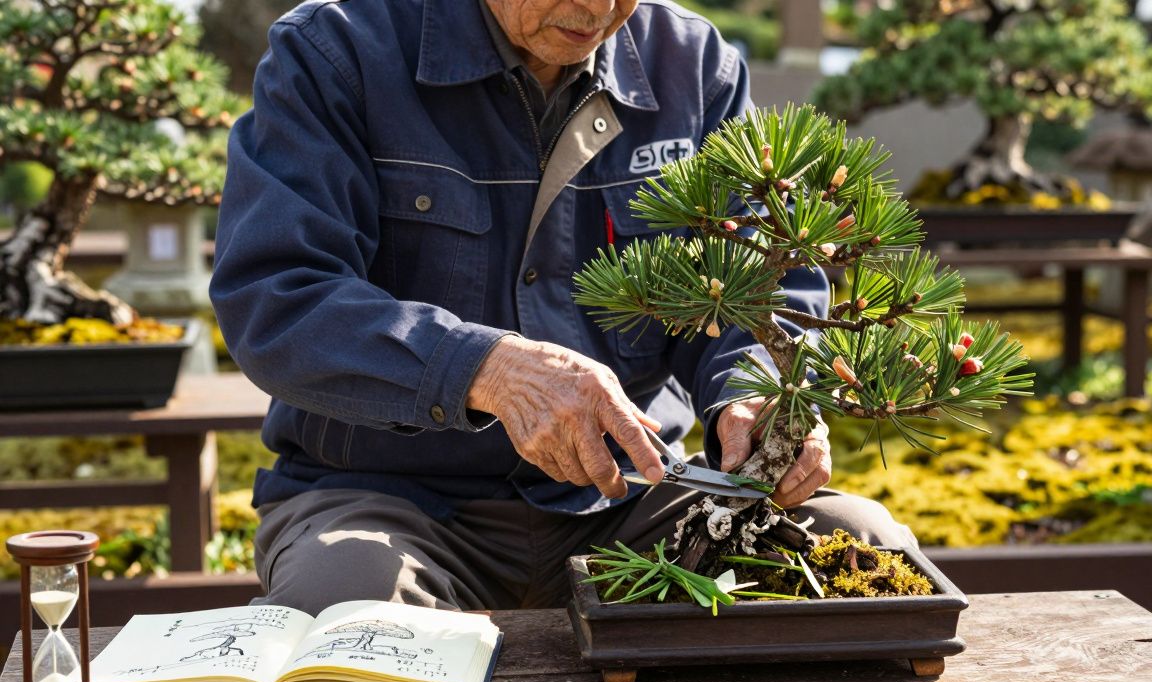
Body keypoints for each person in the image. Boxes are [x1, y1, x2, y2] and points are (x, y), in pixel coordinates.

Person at [211, 0, 917, 616]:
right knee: (351, 607)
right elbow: (277, 296)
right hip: (388, 497)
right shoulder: (336, 52)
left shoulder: (692, 66)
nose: (599, 8)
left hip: (636, 499)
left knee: (867, 553)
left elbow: (766, 286)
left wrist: (755, 397)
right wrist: (484, 369)